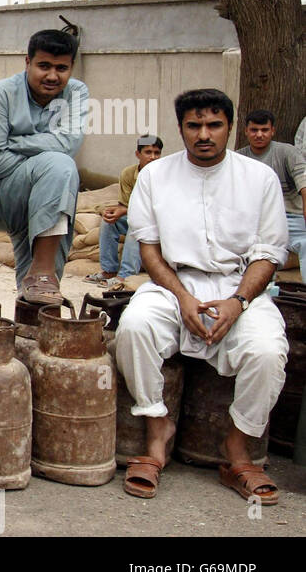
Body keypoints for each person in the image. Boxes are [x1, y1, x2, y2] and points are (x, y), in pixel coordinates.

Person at [116, 89, 288, 504]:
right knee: (133, 328)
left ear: (230, 127)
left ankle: (237, 449)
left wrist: (237, 302)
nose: (204, 134)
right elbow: (150, 251)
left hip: (238, 287)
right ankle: (158, 433)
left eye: (214, 125)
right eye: (194, 126)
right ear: (181, 129)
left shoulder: (259, 178)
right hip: (174, 284)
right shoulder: (154, 176)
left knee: (268, 351)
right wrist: (183, 297)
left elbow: (268, 254)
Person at [0, 29, 89, 305]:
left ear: (71, 68)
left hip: (40, 189)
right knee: (59, 167)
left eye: (61, 68)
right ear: (27, 62)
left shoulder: (76, 92)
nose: (53, 76)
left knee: (56, 190)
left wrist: (14, 142)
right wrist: (42, 158)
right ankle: (41, 274)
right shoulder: (0, 94)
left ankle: (34, 313)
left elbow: (69, 142)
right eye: (44, 66)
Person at [84, 135, 162, 289]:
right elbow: (124, 205)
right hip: (136, 216)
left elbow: (160, 210)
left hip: (159, 224)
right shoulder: (128, 174)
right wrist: (116, 212)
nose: (153, 157)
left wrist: (125, 211)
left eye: (157, 153)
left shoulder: (165, 175)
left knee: (136, 223)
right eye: (148, 152)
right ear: (138, 154)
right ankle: (109, 270)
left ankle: (125, 275)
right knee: (109, 222)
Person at [235, 109, 306, 263]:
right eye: (254, 130)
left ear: (272, 131)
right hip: (254, 219)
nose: (259, 135)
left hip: (291, 217)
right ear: (246, 131)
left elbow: (304, 187)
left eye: (264, 130)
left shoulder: (288, 152)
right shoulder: (238, 158)